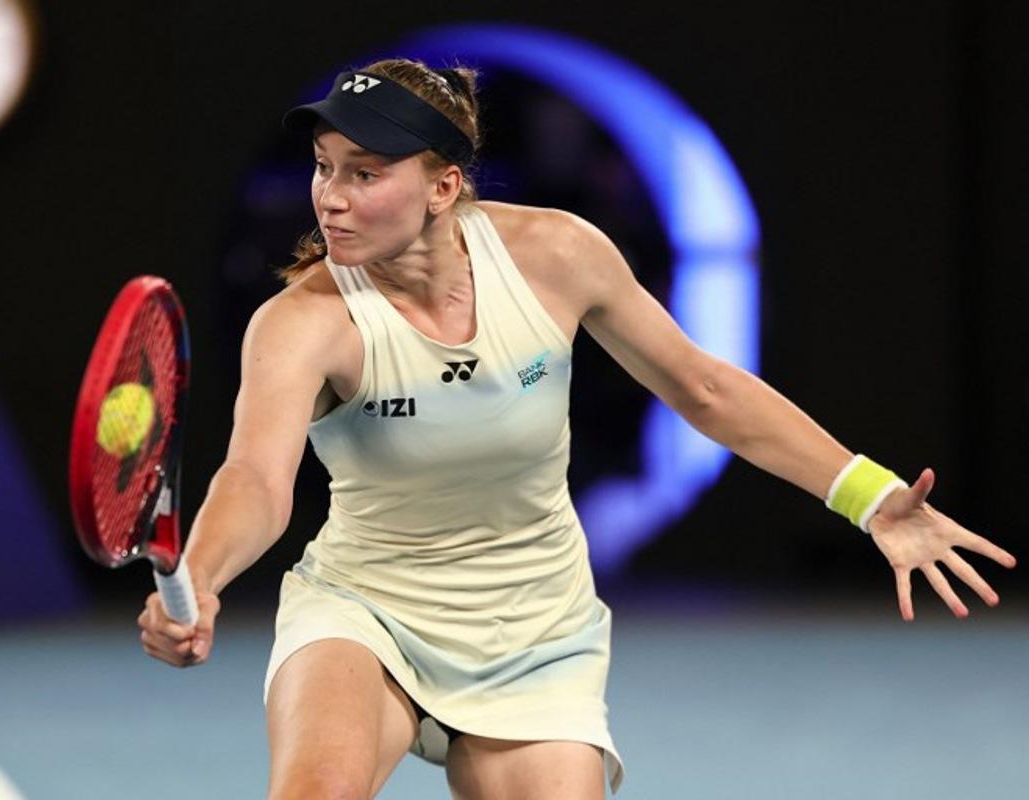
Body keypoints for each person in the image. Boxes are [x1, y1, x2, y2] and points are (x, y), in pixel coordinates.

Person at [136, 58, 1018, 799]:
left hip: (535, 622)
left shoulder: (558, 255)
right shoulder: (301, 321)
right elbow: (254, 478)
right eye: (325, 166)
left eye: (365, 172)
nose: (330, 196)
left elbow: (704, 389)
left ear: (444, 186)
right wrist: (203, 580)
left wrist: (872, 499)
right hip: (369, 605)